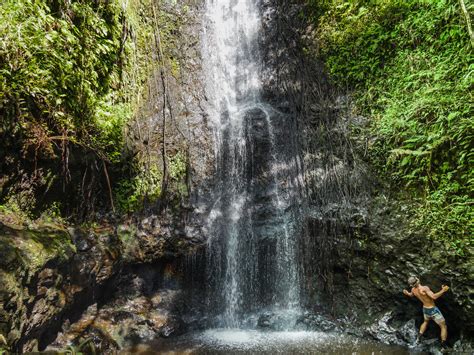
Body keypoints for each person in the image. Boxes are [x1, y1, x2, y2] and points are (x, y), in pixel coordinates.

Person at [403, 276, 449, 349]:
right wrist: (443, 290)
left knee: (425, 322)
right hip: (433, 309)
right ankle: (443, 344)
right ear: (418, 280)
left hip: (425, 309)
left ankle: (419, 338)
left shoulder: (413, 289)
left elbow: (411, 295)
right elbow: (434, 297)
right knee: (443, 326)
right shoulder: (424, 288)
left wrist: (407, 293)